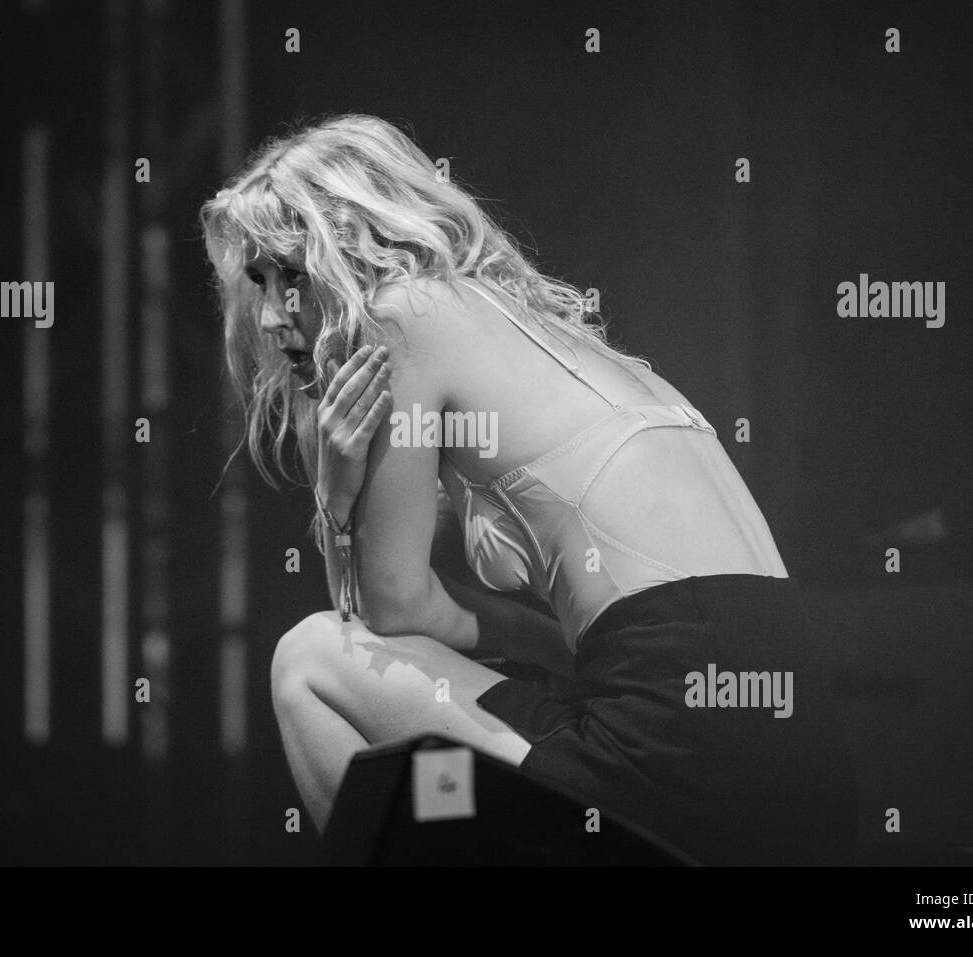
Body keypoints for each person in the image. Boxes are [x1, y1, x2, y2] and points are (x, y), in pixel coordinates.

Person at [201, 113, 857, 864]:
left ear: (356, 247)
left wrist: (334, 496)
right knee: (441, 779)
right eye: (257, 281)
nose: (272, 313)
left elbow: (385, 613)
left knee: (309, 661)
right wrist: (536, 642)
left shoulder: (401, 316)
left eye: (293, 272)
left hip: (677, 748)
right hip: (807, 772)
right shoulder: (554, 338)